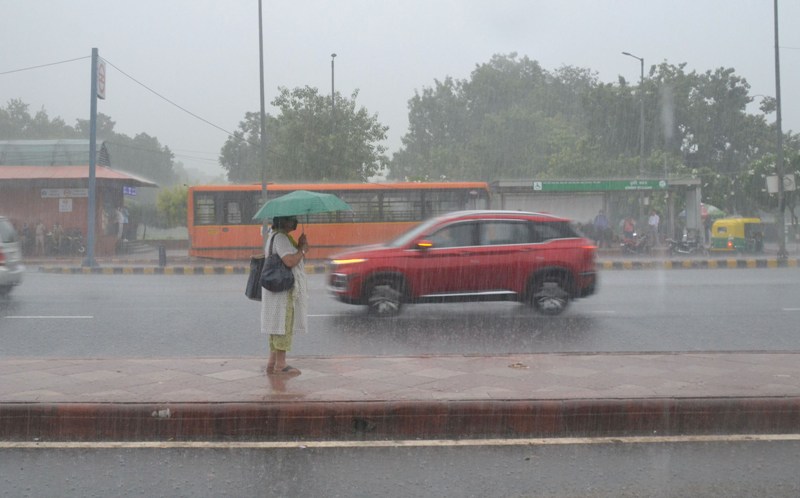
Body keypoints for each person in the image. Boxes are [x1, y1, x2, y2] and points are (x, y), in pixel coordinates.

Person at [261, 215, 309, 376]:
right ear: (283, 221)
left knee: (276, 324)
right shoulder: (281, 237)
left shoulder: (274, 236)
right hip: (282, 288)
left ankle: (272, 362)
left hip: (275, 287)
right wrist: (302, 249)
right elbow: (289, 261)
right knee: (283, 324)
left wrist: (300, 246)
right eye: (292, 220)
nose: (295, 222)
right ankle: (281, 365)